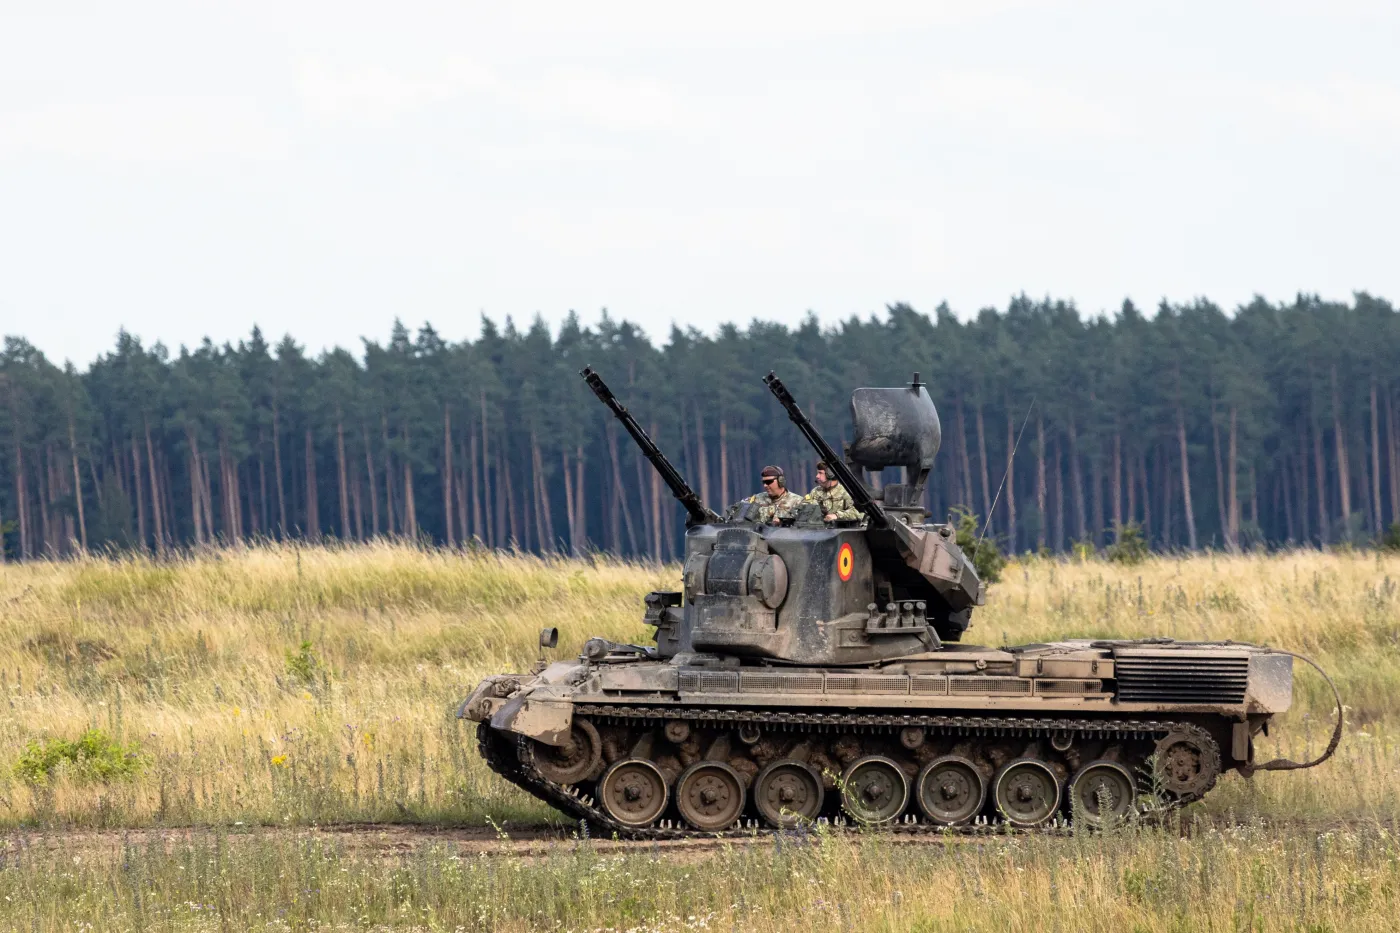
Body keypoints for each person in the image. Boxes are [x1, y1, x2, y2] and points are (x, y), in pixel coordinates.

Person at [725, 465, 803, 524]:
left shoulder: (798, 502)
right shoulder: (756, 499)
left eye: (769, 482)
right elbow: (737, 512)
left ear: (780, 481)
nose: (765, 485)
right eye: (764, 482)